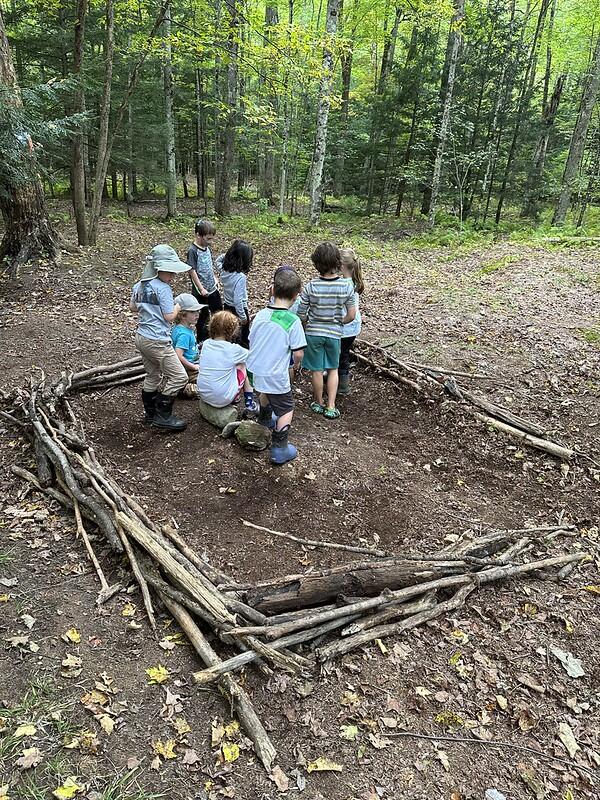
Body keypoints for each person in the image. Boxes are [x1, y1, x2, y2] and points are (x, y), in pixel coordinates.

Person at [248, 269, 306, 465]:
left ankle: (264, 418)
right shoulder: (292, 321)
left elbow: (251, 340)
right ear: (296, 296)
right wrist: (296, 364)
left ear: (272, 290)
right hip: (275, 372)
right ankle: (280, 448)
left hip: (255, 370)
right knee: (286, 408)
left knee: (265, 390)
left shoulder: (261, 315)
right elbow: (298, 352)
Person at [130, 245, 190, 432]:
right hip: (157, 341)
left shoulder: (139, 284)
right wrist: (178, 307)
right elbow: (169, 317)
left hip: (141, 337)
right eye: (170, 271)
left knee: (153, 375)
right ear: (158, 268)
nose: (173, 276)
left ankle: (150, 415)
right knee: (180, 377)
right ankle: (163, 415)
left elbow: (133, 307)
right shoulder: (163, 288)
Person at [297, 242, 356, 419]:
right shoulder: (346, 286)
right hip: (334, 334)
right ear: (337, 262)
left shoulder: (311, 287)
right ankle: (331, 405)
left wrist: (309, 322)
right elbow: (352, 315)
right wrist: (339, 322)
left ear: (317, 264)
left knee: (316, 370)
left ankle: (318, 403)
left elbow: (301, 313)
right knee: (332, 369)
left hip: (314, 333)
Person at [196, 311, 258, 412]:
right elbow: (253, 357)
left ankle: (233, 395)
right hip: (222, 398)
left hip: (203, 394)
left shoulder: (206, 344)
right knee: (243, 365)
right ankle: (249, 403)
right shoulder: (234, 349)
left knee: (229, 365)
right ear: (232, 331)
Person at [186, 218, 223, 342]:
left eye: (212, 238)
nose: (211, 242)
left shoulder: (206, 248)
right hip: (201, 292)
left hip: (212, 288)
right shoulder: (193, 251)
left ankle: (220, 337)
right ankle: (202, 341)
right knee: (202, 317)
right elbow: (192, 271)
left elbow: (208, 266)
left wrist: (214, 278)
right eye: (208, 239)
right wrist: (201, 288)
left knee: (218, 312)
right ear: (198, 235)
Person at [338, 248, 364, 396]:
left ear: (341, 266)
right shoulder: (354, 281)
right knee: (344, 354)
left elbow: (349, 314)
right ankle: (340, 380)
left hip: (345, 326)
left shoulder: (343, 285)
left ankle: (342, 385)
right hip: (353, 328)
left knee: (341, 356)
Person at [218, 239, 253, 348]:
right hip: (238, 310)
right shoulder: (240, 277)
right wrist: (243, 317)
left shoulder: (224, 270)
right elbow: (238, 300)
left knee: (229, 334)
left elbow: (217, 260)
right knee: (242, 338)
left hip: (227, 307)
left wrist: (229, 255)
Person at [171, 293, 202, 396]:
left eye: (198, 311)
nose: (197, 314)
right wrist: (193, 367)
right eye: (193, 312)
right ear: (182, 315)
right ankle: (186, 388)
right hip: (188, 368)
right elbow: (178, 355)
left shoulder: (180, 328)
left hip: (192, 362)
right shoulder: (184, 334)